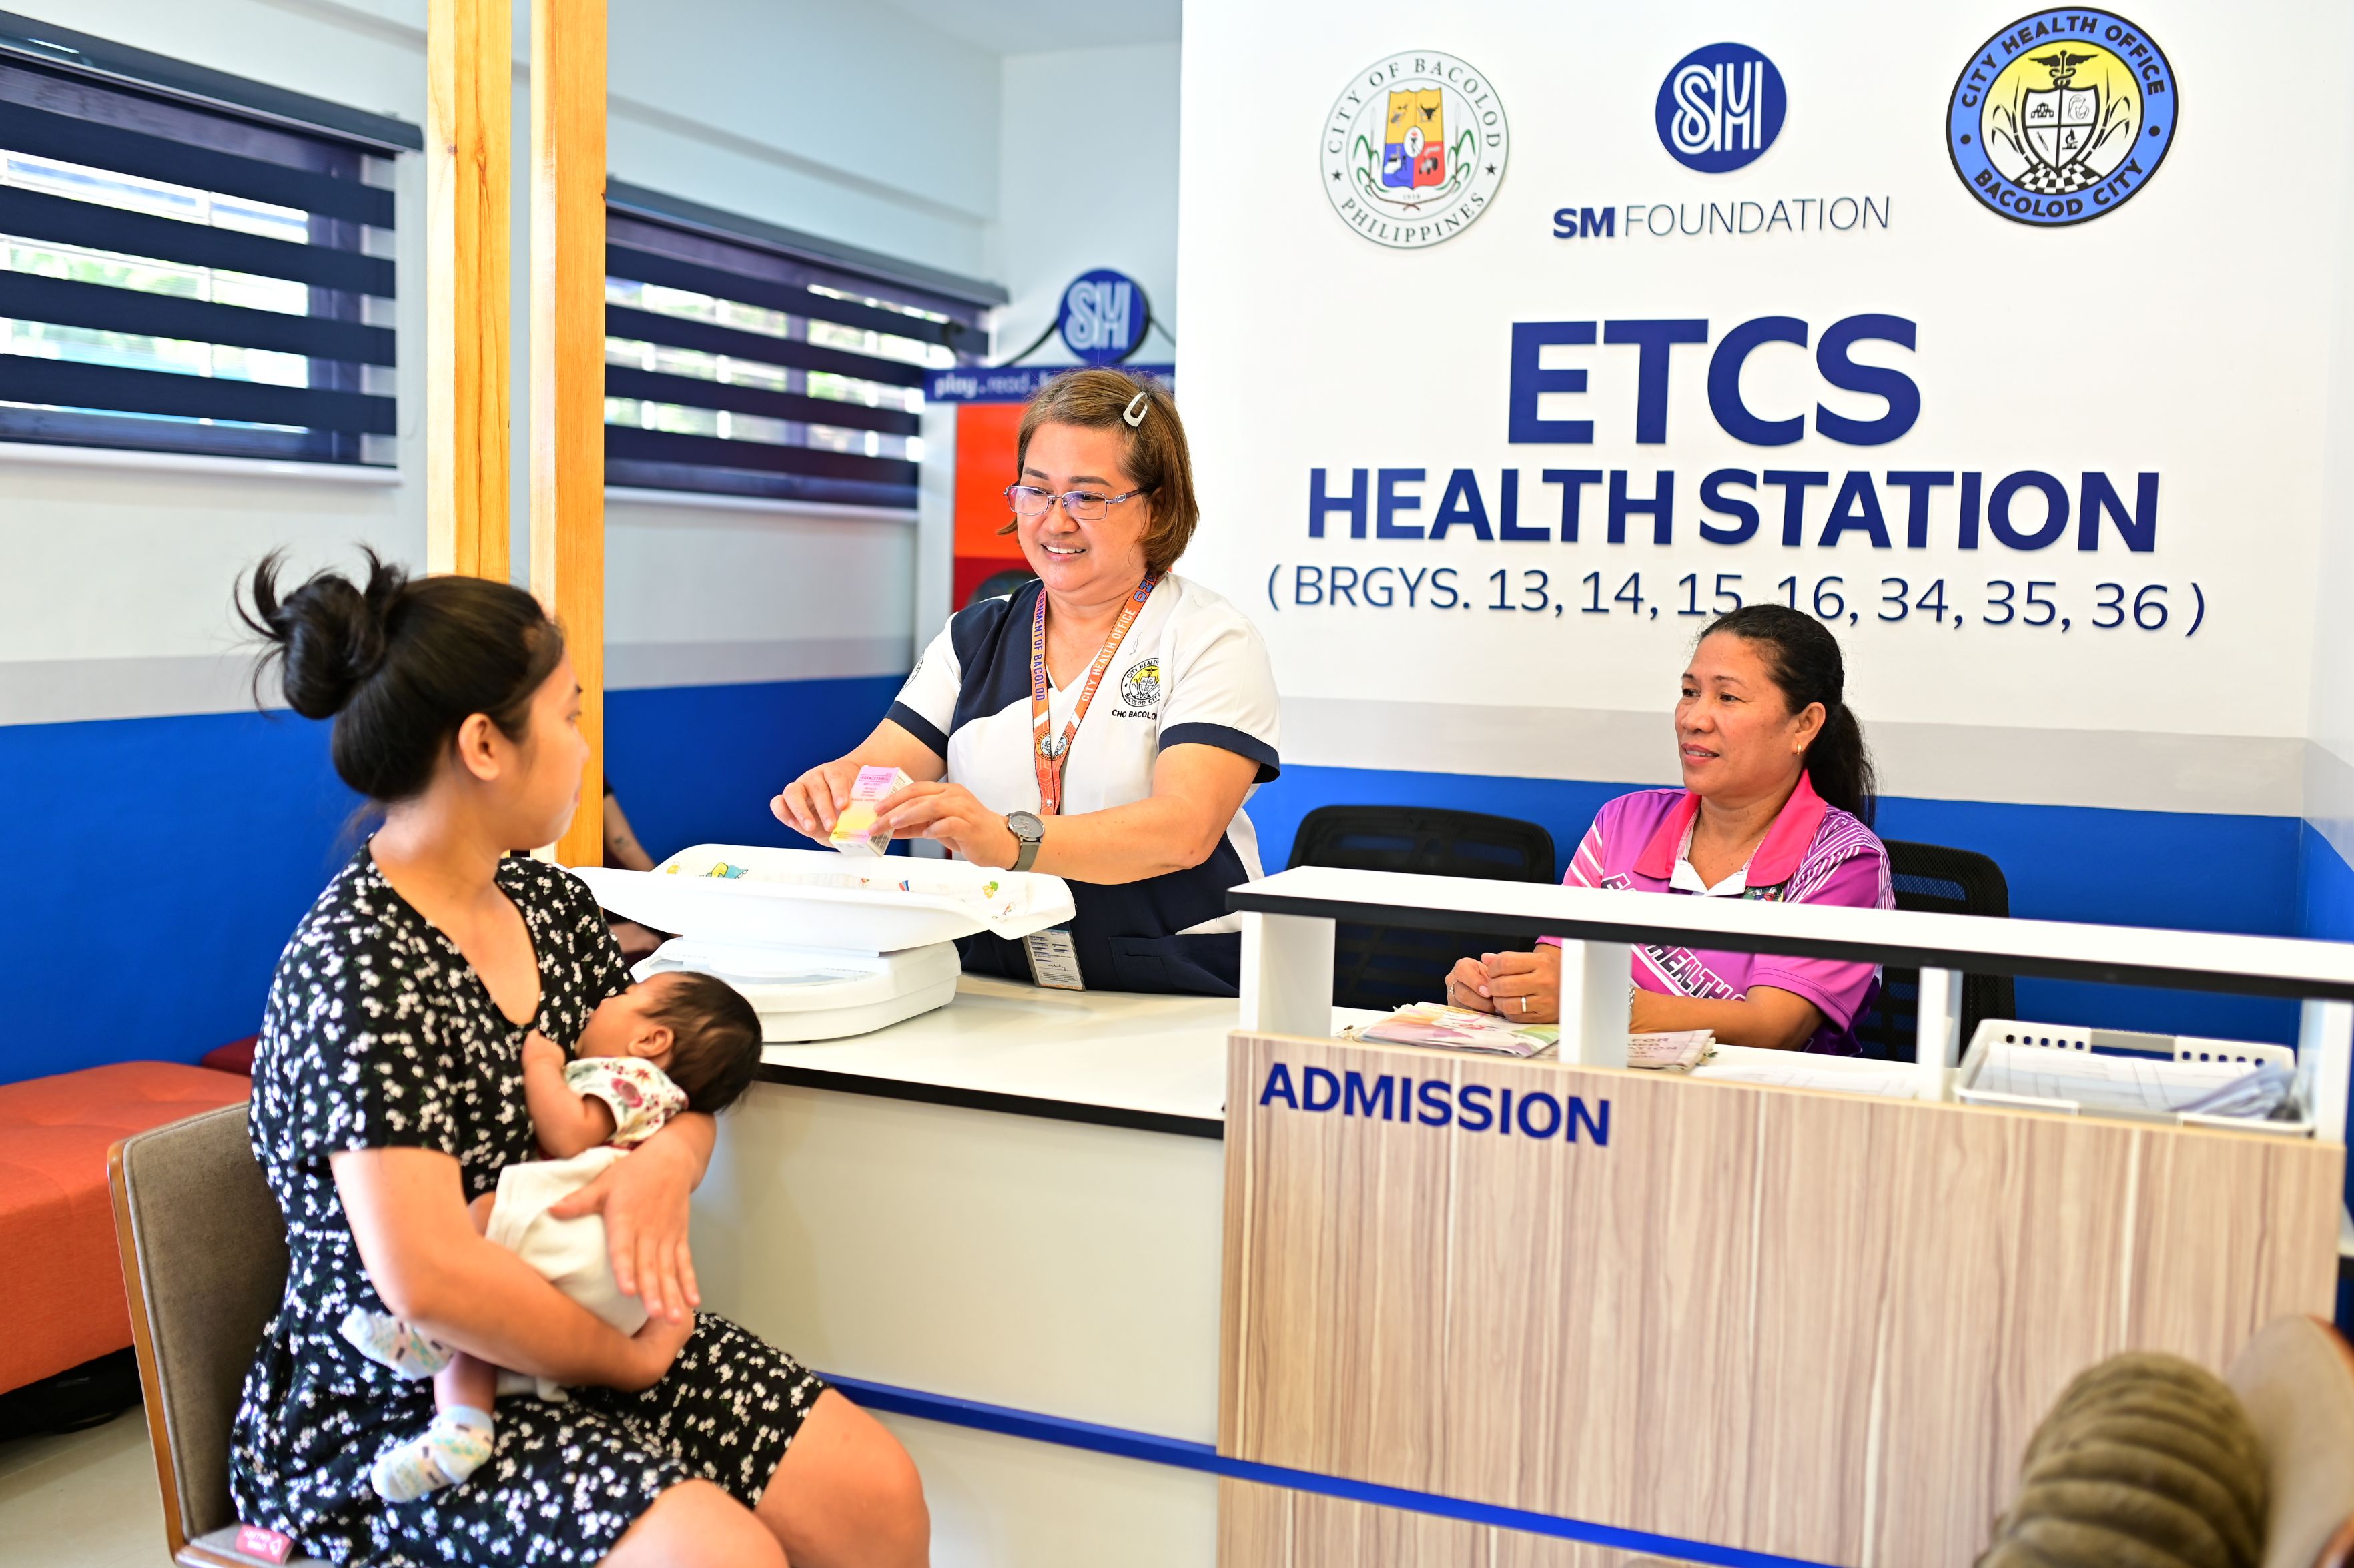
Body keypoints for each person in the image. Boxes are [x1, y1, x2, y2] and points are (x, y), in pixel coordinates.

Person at [232, 551, 926, 1567]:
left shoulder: (551, 903)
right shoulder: (362, 967)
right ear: (484, 744)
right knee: (718, 1556)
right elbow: (429, 1281)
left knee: (874, 1494)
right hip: (413, 1401)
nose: (585, 746)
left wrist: (666, 1162)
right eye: (569, 715)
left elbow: (666, 1084)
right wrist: (625, 1363)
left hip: (578, 1322)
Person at [773, 368, 1280, 995]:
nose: (1055, 522)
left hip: (1177, 977)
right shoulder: (975, 636)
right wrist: (835, 794)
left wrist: (1009, 839)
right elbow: (878, 773)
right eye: (1036, 492)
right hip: (997, 971)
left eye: (1087, 498)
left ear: (1156, 508)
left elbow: (1185, 831)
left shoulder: (1208, 637)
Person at [338, 970, 761, 1503]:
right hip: (617, 1291)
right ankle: (463, 1429)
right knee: (483, 1324)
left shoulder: (632, 1078)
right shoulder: (663, 1100)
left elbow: (568, 1134)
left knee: (482, 1219)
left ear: (651, 1041)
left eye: (627, 995)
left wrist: (541, 1066)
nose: (607, 998)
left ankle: (433, 1338)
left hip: (583, 1237)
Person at [1446, 604, 1893, 1053]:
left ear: (1805, 724)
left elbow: (1773, 1027)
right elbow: (1557, 972)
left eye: (1728, 697)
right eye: (1689, 692)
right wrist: (1503, 992)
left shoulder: (1844, 859)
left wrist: (1602, 1001)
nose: (1694, 719)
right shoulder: (1622, 822)